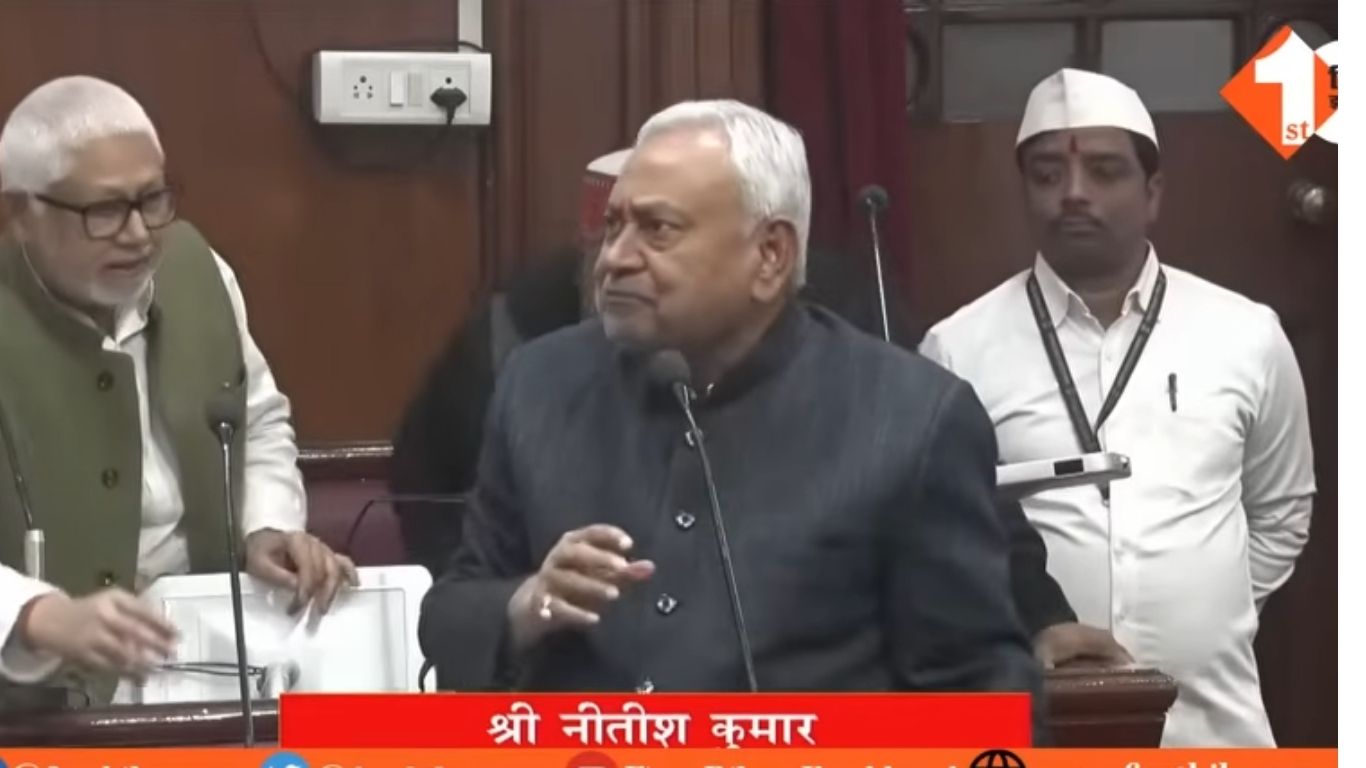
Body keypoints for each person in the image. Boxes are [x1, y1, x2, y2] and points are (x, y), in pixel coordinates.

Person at [418, 99, 1043, 731]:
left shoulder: (910, 418)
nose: (614, 259)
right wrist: (529, 603)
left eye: (658, 230)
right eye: (613, 227)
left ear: (770, 255)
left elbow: (980, 694)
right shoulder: (539, 385)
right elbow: (450, 614)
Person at [918, 68, 1315, 746]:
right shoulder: (956, 350)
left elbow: (1281, 511)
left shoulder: (1247, 334)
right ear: (1025, 193)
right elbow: (946, 540)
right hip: (1036, 727)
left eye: (1104, 171)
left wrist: (1205, 612)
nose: (1074, 192)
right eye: (1048, 175)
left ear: (1152, 193)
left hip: (1213, 727)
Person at [0, 76, 357, 704]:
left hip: (208, 672)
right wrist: (32, 615)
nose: (139, 233)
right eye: (103, 211)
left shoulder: (198, 272)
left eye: (153, 199)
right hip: (37, 708)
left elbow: (257, 421)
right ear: (22, 214)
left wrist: (265, 526)